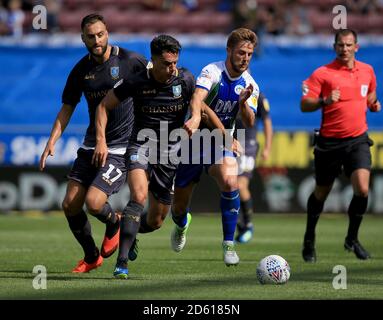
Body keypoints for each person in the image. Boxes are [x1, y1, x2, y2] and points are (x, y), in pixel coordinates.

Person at [40, 14, 147, 273]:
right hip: (91, 145)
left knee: (95, 203)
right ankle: (91, 256)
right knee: (69, 205)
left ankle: (115, 224)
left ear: (107, 32)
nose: (97, 40)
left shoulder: (130, 61)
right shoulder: (80, 70)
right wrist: (51, 141)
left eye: (100, 34)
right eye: (91, 36)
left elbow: (155, 84)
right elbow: (67, 108)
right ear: (83, 38)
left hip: (121, 147)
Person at [94, 34, 200, 279]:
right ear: (153, 60)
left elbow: (199, 101)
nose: (171, 68)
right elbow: (104, 106)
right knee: (138, 196)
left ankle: (126, 228)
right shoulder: (136, 80)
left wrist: (195, 117)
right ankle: (122, 263)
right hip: (140, 144)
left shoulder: (184, 79)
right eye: (166, 63)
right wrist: (101, 139)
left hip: (170, 153)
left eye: (175, 62)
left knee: (156, 221)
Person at [170, 28, 259, 266]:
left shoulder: (251, 84)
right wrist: (199, 117)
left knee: (231, 180)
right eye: (241, 52)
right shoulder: (212, 71)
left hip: (220, 143)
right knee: (179, 207)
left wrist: (242, 106)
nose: (245, 58)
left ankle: (229, 245)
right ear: (229, 50)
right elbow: (197, 100)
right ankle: (181, 224)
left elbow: (250, 122)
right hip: (193, 141)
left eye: (250, 54)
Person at [301, 29, 381, 262]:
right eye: (340, 45)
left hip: (357, 140)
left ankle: (352, 238)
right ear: (334, 47)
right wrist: (323, 101)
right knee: (321, 192)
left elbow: (371, 93)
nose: (344, 49)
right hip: (329, 143)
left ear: (356, 47)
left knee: (363, 189)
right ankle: (309, 239)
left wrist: (373, 103)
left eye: (348, 45)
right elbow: (304, 105)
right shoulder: (322, 74)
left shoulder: (367, 70)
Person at [235, 92, 273, 244]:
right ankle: (241, 225)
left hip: (248, 144)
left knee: (240, 184)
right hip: (229, 142)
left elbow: (267, 122)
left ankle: (248, 225)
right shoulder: (226, 90)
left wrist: (267, 147)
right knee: (229, 186)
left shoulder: (258, 96)